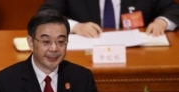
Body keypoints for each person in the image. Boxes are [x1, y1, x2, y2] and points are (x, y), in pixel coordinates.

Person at [39, 0, 179, 37]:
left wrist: (162, 21)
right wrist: (76, 27)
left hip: (135, 56)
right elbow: (45, 14)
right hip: (85, 59)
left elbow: (173, 9)